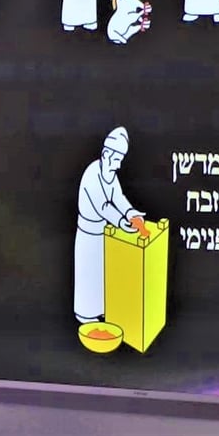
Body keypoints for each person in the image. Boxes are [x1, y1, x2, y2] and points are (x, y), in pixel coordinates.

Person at [74, 127, 145, 324]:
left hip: (103, 234)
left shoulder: (111, 175)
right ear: (106, 155)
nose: (119, 166)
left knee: (102, 275)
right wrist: (122, 222)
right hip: (88, 234)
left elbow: (118, 197)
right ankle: (85, 315)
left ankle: (102, 310)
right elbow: (103, 207)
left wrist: (131, 213)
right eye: (116, 160)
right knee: (88, 275)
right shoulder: (92, 174)